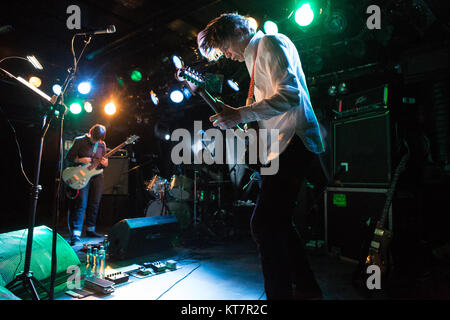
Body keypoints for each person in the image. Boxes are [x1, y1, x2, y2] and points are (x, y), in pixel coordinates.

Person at [197, 13, 325, 300]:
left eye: (223, 45)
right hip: (280, 146)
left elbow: (291, 95)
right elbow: (264, 114)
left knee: (264, 224)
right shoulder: (253, 61)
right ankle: (307, 287)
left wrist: (241, 113)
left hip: (294, 141)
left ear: (238, 30)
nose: (225, 54)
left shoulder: (267, 43)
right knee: (277, 223)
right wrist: (239, 119)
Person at [65, 124, 108, 246]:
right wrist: (80, 160)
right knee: (81, 203)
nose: (95, 141)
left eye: (98, 139)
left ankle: (90, 229)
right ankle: (76, 233)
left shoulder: (102, 144)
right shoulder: (79, 141)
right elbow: (69, 157)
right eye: (94, 139)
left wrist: (105, 163)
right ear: (90, 132)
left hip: (97, 175)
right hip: (82, 175)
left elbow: (105, 161)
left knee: (95, 202)